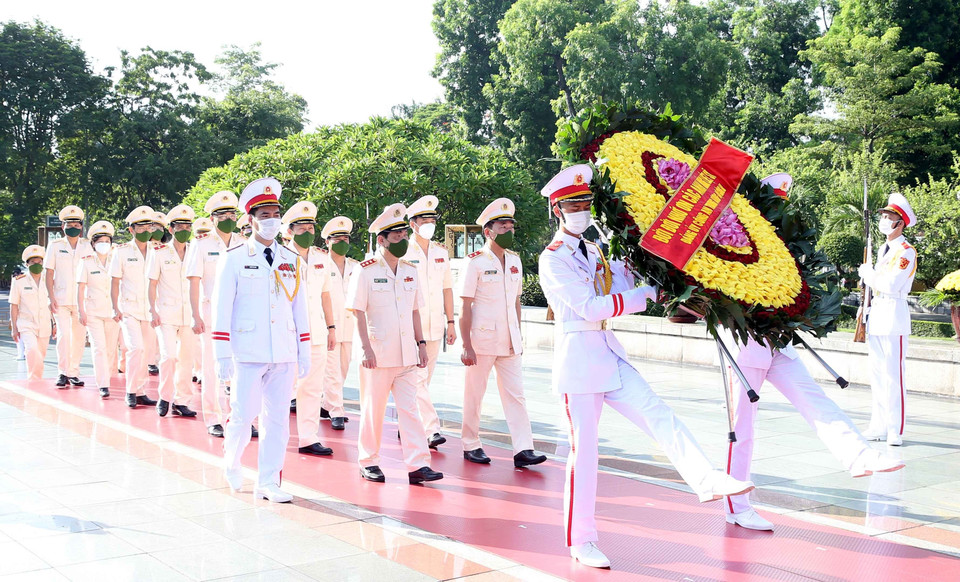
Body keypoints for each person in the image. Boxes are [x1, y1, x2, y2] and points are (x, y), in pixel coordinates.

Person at [537, 164, 755, 569]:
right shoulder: (552, 260)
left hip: (607, 353)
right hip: (579, 363)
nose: (581, 211)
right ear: (557, 210)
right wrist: (646, 294)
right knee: (584, 455)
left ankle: (705, 477)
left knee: (658, 413)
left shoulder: (595, 250)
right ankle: (581, 540)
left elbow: (621, 283)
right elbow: (589, 307)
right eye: (573, 205)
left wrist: (649, 265)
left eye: (585, 204)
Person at [720, 334, 905, 530]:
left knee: (816, 400)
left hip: (779, 344)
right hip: (745, 348)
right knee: (742, 429)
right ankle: (737, 507)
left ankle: (860, 455)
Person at [212, 177, 310, 502]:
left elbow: (300, 309)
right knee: (243, 415)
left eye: (276, 214)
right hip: (248, 351)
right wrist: (221, 353)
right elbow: (221, 308)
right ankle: (232, 460)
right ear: (251, 219)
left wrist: (304, 351)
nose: (272, 220)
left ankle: (268, 481)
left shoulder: (291, 259)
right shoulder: (234, 257)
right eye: (264, 215)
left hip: (283, 351)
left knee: (278, 421)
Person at [347, 203, 443, 485]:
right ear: (382, 239)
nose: (402, 240)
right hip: (377, 354)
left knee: (410, 410)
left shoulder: (410, 270)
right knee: (373, 410)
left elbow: (415, 311)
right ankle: (368, 461)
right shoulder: (365, 270)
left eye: (404, 235)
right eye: (396, 236)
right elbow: (357, 311)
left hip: (407, 355)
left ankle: (418, 464)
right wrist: (365, 348)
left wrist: (421, 343)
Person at [459, 198, 545, 469]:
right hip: (482, 340)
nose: (509, 230)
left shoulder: (515, 261)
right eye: (502, 226)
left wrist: (517, 335)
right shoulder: (474, 262)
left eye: (511, 226)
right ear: (488, 231)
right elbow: (465, 306)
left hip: (509, 341)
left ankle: (524, 448)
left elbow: (516, 303)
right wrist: (466, 344)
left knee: (516, 395)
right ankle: (470, 443)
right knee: (475, 394)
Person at [858, 192, 918, 446]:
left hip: (894, 315)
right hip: (877, 315)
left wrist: (869, 274)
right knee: (877, 376)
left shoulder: (906, 252)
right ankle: (879, 425)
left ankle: (895, 429)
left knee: (893, 376)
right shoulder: (883, 249)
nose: (883, 220)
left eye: (889, 216)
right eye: (883, 215)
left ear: (900, 223)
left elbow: (891, 285)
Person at [185, 191, 245, 437]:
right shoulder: (201, 244)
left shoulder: (243, 243)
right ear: (212, 219)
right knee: (210, 368)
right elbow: (194, 281)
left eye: (232, 214)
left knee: (241, 367)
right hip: (211, 314)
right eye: (223, 215)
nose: (229, 219)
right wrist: (195, 315)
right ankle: (213, 418)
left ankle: (241, 417)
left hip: (240, 314)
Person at [282, 200, 335, 456]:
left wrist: (332, 327)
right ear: (289, 231)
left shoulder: (321, 258)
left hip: (316, 332)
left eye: (310, 228)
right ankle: (275, 434)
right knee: (282, 388)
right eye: (301, 229)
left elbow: (326, 295)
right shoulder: (279, 256)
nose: (307, 233)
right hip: (287, 333)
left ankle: (308, 437)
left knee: (312, 388)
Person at [403, 196, 456, 449]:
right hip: (411, 327)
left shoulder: (440, 252)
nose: (430, 225)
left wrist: (451, 322)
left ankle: (409, 423)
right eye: (425, 220)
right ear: (413, 224)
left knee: (424, 380)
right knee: (418, 379)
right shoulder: (403, 251)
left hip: (435, 327)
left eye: (433, 220)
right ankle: (431, 428)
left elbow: (447, 289)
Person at [147, 205, 199, 418]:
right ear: (171, 229)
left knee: (187, 359)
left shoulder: (195, 251)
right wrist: (152, 310)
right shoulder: (159, 253)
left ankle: (181, 401)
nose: (184, 230)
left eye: (187, 227)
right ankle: (165, 396)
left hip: (189, 315)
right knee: (169, 357)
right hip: (166, 313)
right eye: (180, 227)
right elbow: (151, 284)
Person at [109, 206, 159, 409]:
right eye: (141, 227)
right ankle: (130, 391)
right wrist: (114, 307)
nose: (146, 230)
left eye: (149, 226)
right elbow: (114, 281)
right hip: (129, 309)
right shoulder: (121, 252)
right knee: (135, 348)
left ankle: (140, 391)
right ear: (132, 230)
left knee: (147, 352)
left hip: (150, 310)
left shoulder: (158, 250)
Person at [44, 205, 92, 387]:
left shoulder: (87, 246)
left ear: (81, 227)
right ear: (63, 227)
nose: (73, 227)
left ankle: (73, 372)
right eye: (69, 224)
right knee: (64, 336)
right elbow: (49, 272)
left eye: (76, 224)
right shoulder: (55, 246)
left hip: (81, 301)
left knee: (79, 338)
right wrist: (50, 297)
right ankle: (62, 372)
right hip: (61, 299)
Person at [319, 216, 359, 429]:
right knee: (331, 370)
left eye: (345, 238)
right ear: (328, 242)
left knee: (343, 368)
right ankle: (336, 411)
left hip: (350, 327)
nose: (342, 242)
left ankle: (327, 404)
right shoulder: (321, 266)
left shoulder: (355, 266)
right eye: (337, 239)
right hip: (328, 326)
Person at [77, 220, 120, 398]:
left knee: (110, 349)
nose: (104, 244)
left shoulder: (116, 259)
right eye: (100, 241)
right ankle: (103, 384)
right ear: (93, 244)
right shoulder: (86, 262)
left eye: (107, 241)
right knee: (99, 348)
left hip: (113, 312)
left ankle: (107, 377)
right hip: (93, 312)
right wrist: (81, 311)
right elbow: (80, 288)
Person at [11, 245, 53, 380]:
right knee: (32, 350)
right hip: (26, 324)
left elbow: (52, 303)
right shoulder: (19, 281)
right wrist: (14, 328)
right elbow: (14, 305)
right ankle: (34, 380)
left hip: (44, 324)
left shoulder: (49, 280)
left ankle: (37, 379)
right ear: (27, 264)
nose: (37, 265)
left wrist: (54, 323)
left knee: (41, 354)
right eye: (33, 262)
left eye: (39, 262)